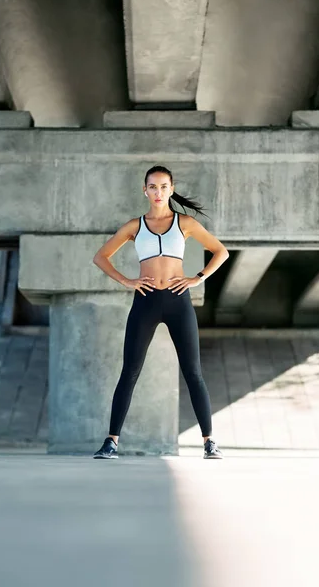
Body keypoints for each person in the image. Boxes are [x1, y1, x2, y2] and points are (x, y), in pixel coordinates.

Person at [92, 165, 229, 460]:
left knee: (193, 372)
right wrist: (127, 281)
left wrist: (197, 277)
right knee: (130, 371)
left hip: (178, 300)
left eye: (163, 186)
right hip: (146, 300)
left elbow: (221, 251)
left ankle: (209, 442)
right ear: (145, 190)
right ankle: (111, 442)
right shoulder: (134, 226)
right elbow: (100, 257)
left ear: (171, 188)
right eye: (152, 187)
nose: (158, 192)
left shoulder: (185, 222)